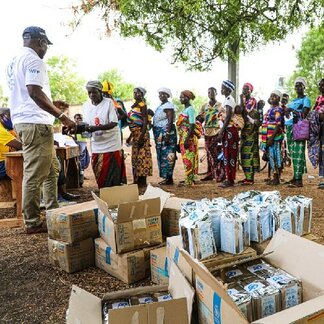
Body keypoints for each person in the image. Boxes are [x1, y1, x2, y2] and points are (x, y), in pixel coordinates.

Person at [6, 26, 76, 234]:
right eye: (46, 45)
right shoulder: (35, 60)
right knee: (34, 173)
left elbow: (30, 94)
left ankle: (52, 208)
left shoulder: (14, 61)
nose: (46, 49)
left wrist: (52, 104)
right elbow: (34, 92)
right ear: (40, 41)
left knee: (52, 168)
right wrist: (62, 116)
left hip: (26, 121)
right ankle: (32, 221)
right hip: (35, 123)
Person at [82, 80, 126, 188]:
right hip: (97, 143)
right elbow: (86, 123)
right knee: (99, 170)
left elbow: (114, 123)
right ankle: (105, 192)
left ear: (100, 91)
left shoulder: (109, 103)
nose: (92, 95)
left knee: (113, 172)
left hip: (111, 142)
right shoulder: (86, 105)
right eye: (89, 92)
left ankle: (113, 194)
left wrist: (96, 128)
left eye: (94, 92)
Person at [286, 77, 311, 187]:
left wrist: (291, 110)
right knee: (293, 153)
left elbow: (304, 114)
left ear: (304, 87)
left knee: (298, 153)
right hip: (289, 128)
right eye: (296, 85)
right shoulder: (293, 101)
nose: (298, 87)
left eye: (300, 85)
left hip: (299, 128)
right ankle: (295, 176)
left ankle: (298, 180)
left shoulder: (306, 100)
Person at [126, 87, 153, 187]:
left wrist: (141, 136)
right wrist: (130, 137)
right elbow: (133, 122)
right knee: (136, 158)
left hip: (141, 134)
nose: (135, 94)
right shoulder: (134, 106)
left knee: (143, 158)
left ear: (142, 94)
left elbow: (145, 121)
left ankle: (142, 182)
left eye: (137, 92)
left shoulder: (142, 105)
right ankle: (136, 181)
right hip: (135, 134)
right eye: (134, 92)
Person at [198, 87, 225, 182]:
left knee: (217, 154)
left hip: (217, 132)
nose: (211, 94)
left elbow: (224, 119)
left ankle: (220, 174)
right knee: (209, 154)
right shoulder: (204, 106)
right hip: (207, 132)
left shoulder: (221, 106)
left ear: (216, 93)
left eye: (213, 92)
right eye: (209, 92)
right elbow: (200, 118)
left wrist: (221, 132)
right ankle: (210, 174)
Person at [153, 87, 177, 185]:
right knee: (162, 154)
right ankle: (166, 177)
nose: (161, 96)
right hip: (160, 133)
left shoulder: (168, 106)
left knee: (168, 154)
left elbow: (170, 121)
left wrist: (167, 134)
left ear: (168, 95)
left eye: (163, 94)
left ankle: (169, 177)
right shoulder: (161, 106)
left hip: (166, 133)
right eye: (160, 94)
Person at [217, 80, 239, 188]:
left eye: (223, 88)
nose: (221, 90)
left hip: (230, 130)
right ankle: (228, 178)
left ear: (228, 89)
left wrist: (221, 131)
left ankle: (230, 179)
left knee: (230, 155)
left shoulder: (230, 100)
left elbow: (228, 116)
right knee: (227, 155)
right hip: (228, 130)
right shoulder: (226, 99)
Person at [176, 90, 201, 186]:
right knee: (186, 159)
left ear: (187, 98)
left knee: (189, 159)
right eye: (180, 97)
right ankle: (188, 178)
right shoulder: (184, 110)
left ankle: (189, 181)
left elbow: (192, 125)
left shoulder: (190, 109)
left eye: (182, 97)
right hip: (183, 136)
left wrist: (187, 140)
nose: (180, 99)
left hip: (188, 137)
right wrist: (180, 141)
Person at [260, 90, 284, 185]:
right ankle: (274, 176)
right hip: (268, 137)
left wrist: (271, 138)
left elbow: (278, 124)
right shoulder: (270, 109)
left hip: (274, 137)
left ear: (278, 98)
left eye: (274, 96)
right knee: (271, 156)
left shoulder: (278, 109)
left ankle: (276, 177)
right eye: (271, 96)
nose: (272, 97)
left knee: (275, 156)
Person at [239, 82, 260, 185]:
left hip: (250, 131)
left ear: (251, 90)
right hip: (244, 130)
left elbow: (244, 112)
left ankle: (250, 178)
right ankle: (247, 176)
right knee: (243, 153)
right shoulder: (244, 101)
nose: (244, 90)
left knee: (249, 153)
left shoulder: (252, 101)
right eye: (243, 88)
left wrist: (241, 101)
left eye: (246, 88)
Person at [308, 78, 324, 189]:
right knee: (321, 154)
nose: (322, 87)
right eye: (320, 85)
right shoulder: (318, 98)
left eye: (323, 85)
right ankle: (322, 179)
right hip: (319, 129)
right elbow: (314, 111)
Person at [0, 108, 22, 179]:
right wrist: (12, 129)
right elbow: (20, 145)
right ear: (3, 117)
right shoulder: (1, 130)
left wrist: (11, 130)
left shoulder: (4, 129)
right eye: (12, 117)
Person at [73, 113, 90, 186]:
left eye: (80, 118)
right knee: (79, 162)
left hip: (83, 144)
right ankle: (80, 179)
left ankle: (81, 176)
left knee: (84, 161)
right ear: (75, 119)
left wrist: (82, 132)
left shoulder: (85, 125)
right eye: (77, 118)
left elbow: (89, 135)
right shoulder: (72, 126)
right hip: (75, 145)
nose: (79, 120)